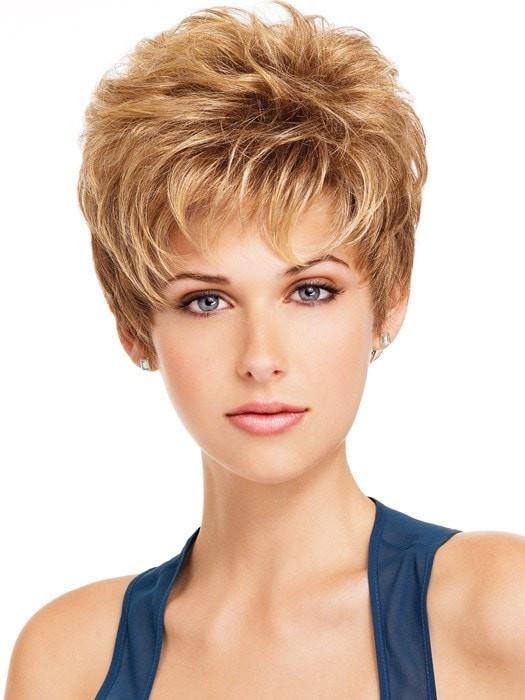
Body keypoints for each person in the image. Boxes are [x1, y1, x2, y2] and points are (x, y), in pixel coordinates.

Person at [5, 2, 525, 697]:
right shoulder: (70, 661)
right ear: (133, 325)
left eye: (310, 291)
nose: (259, 357)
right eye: (205, 301)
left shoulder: (498, 610)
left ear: (388, 303)